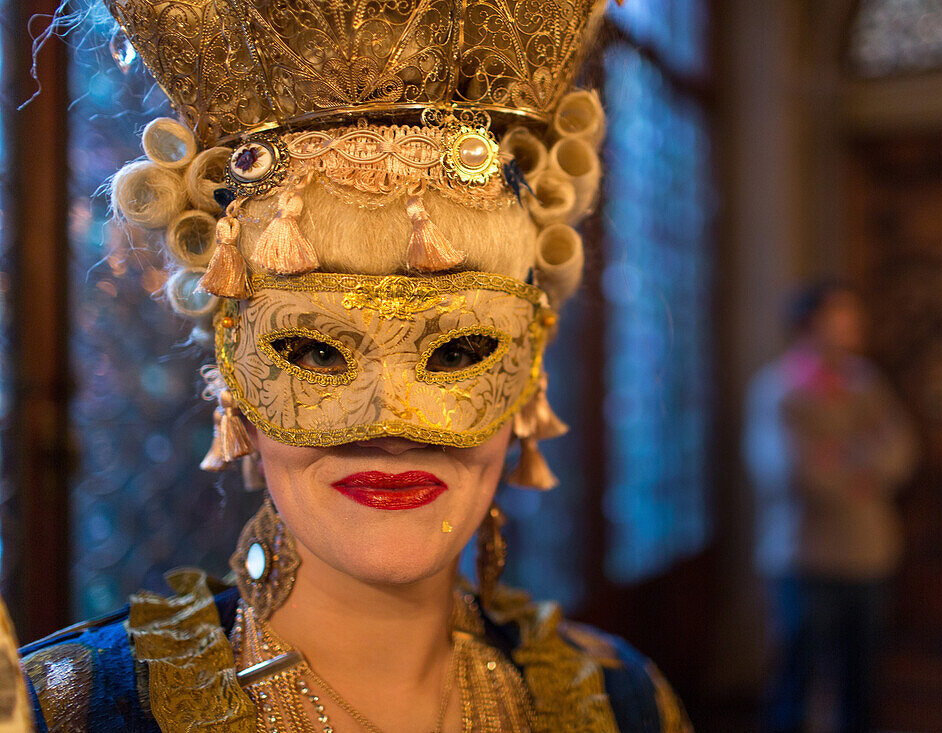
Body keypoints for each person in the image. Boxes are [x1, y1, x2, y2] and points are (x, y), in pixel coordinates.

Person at [18, 2, 692, 731]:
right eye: (313, 349)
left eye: (460, 350)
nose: (389, 420)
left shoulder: (619, 704)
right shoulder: (70, 710)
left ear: (531, 371)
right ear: (231, 375)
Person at [743, 281, 917, 733]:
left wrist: (840, 456)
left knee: (862, 682)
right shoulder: (778, 390)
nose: (854, 327)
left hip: (869, 553)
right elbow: (789, 471)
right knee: (796, 678)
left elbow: (901, 449)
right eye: (843, 317)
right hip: (805, 557)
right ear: (810, 325)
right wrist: (859, 463)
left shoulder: (866, 383)